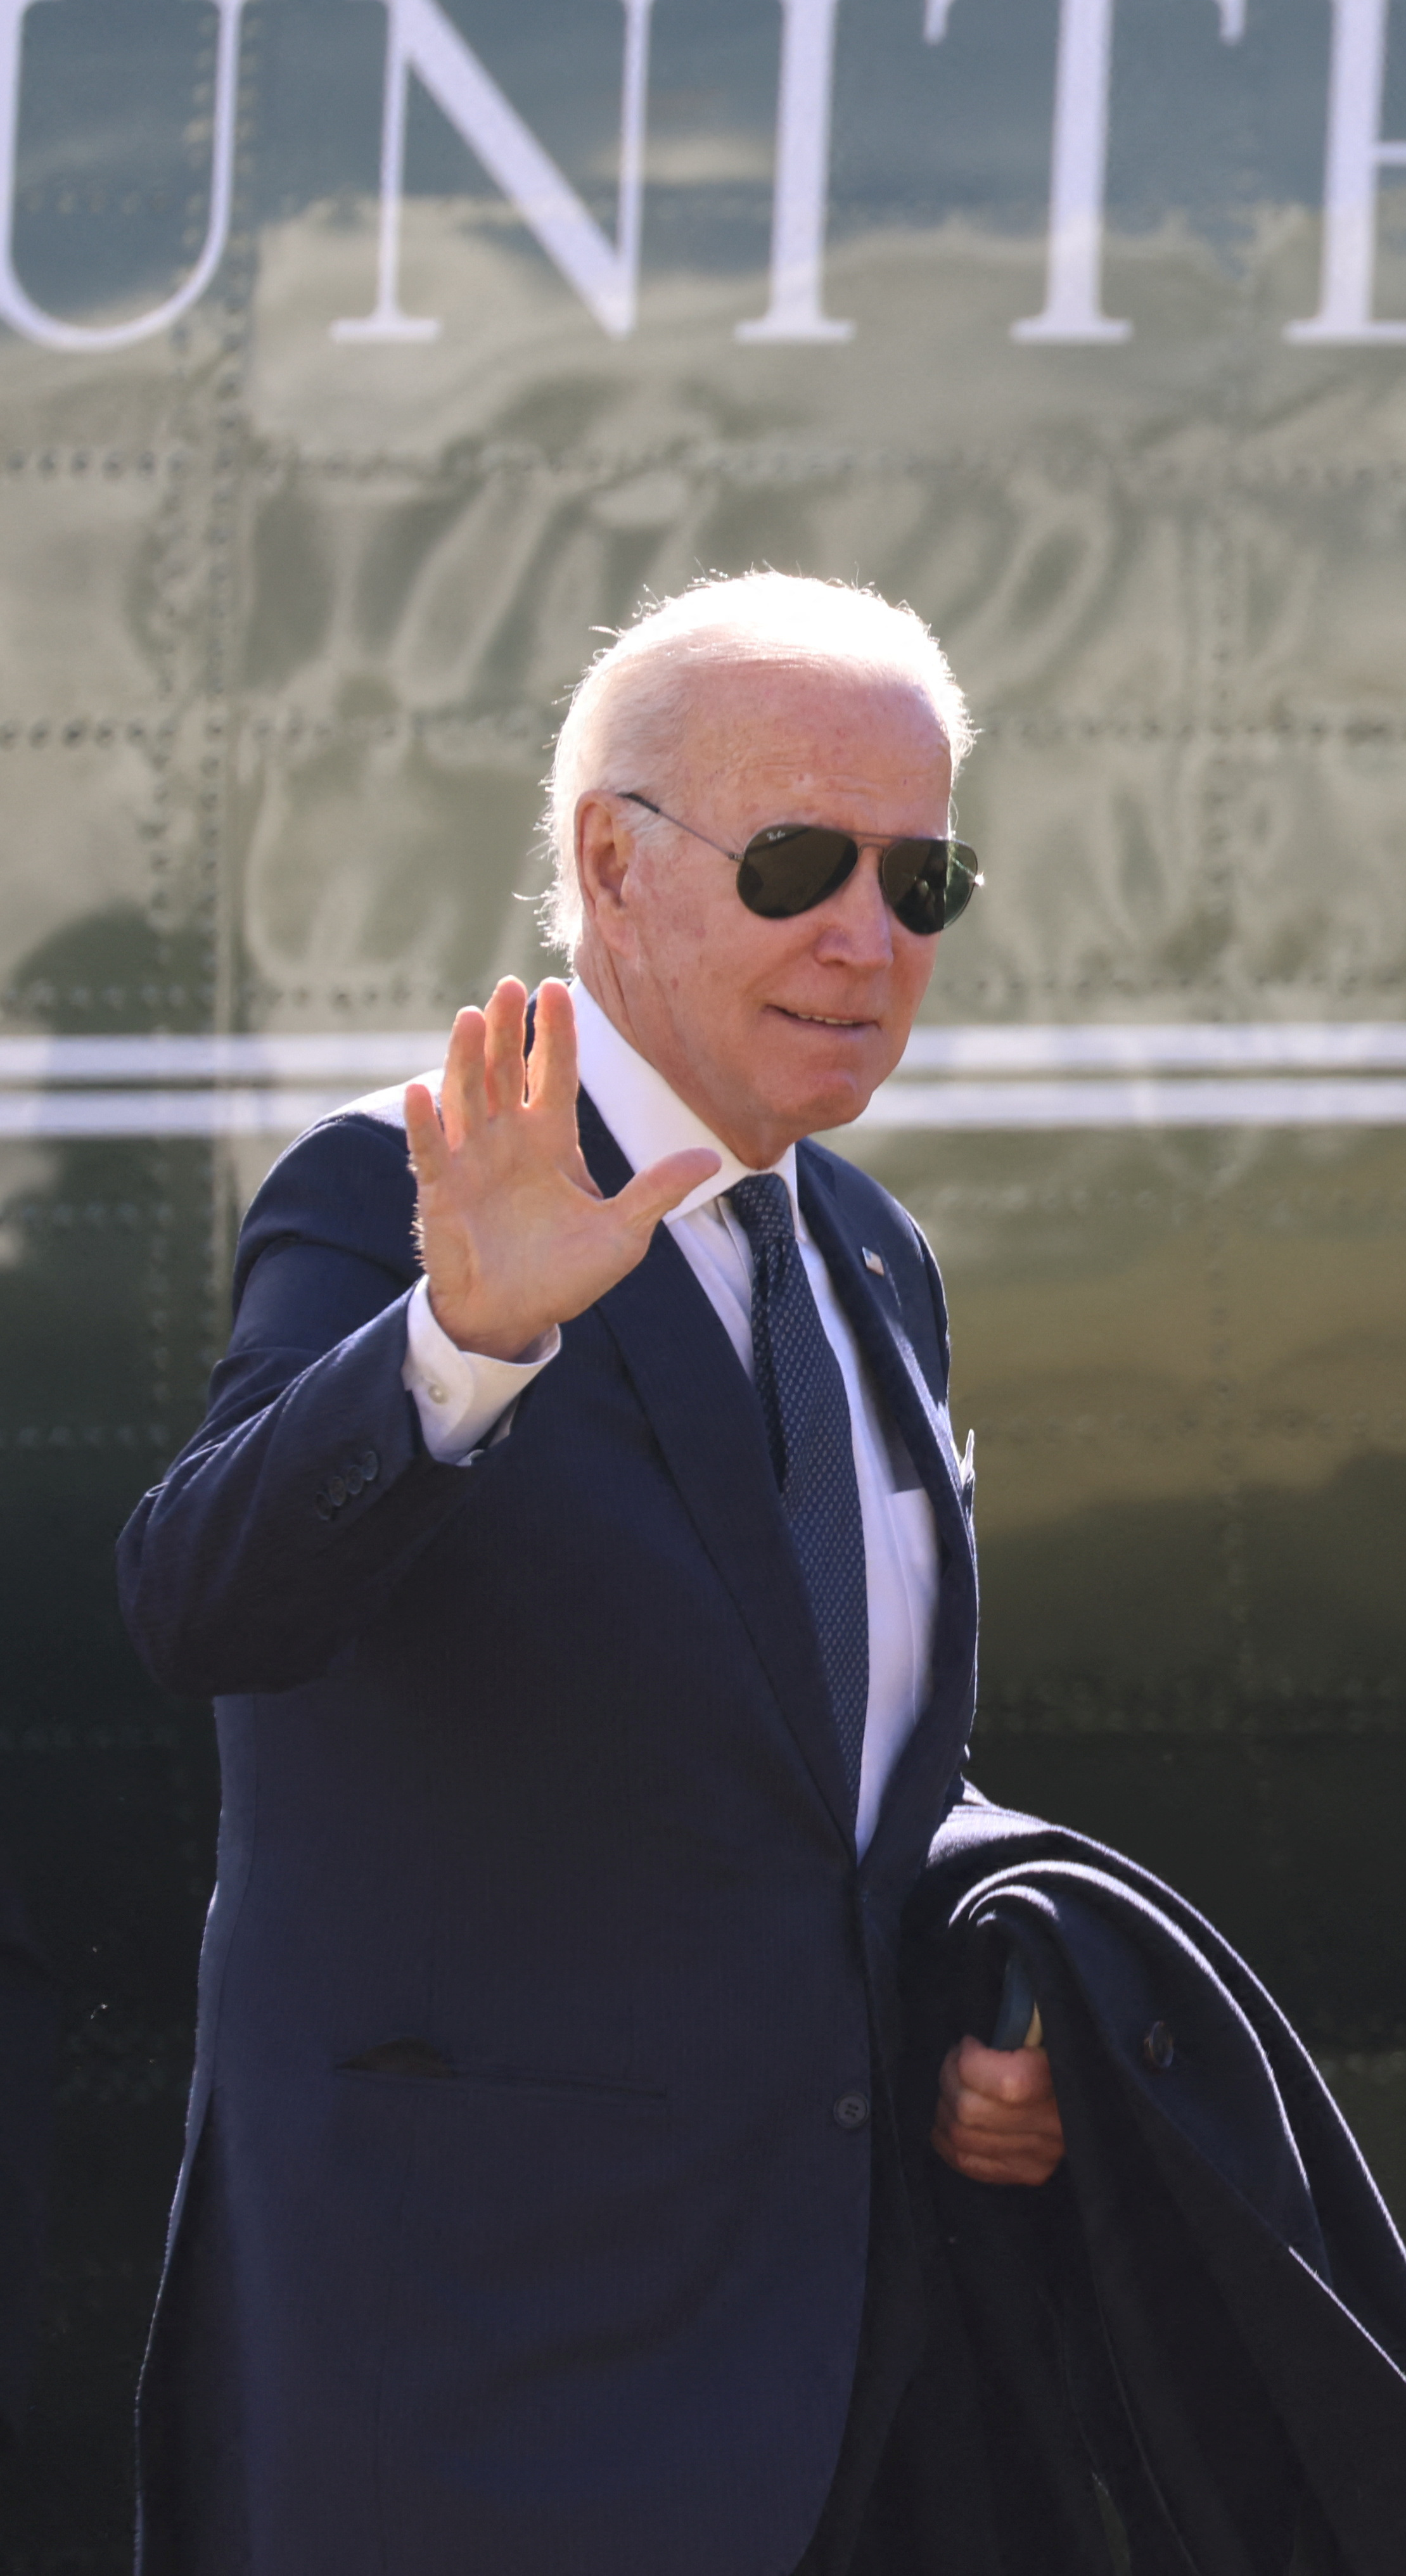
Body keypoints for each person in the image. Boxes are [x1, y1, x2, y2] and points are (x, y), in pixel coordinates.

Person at [117, 573, 1060, 2575]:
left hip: (829, 2366)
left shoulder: (872, 1257)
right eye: (802, 859)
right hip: (485, 2383)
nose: (865, 937)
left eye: (922, 880)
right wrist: (464, 1348)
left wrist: (1008, 1977)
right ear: (610, 865)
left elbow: (834, 1773)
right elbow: (204, 1603)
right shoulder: (405, 1190)